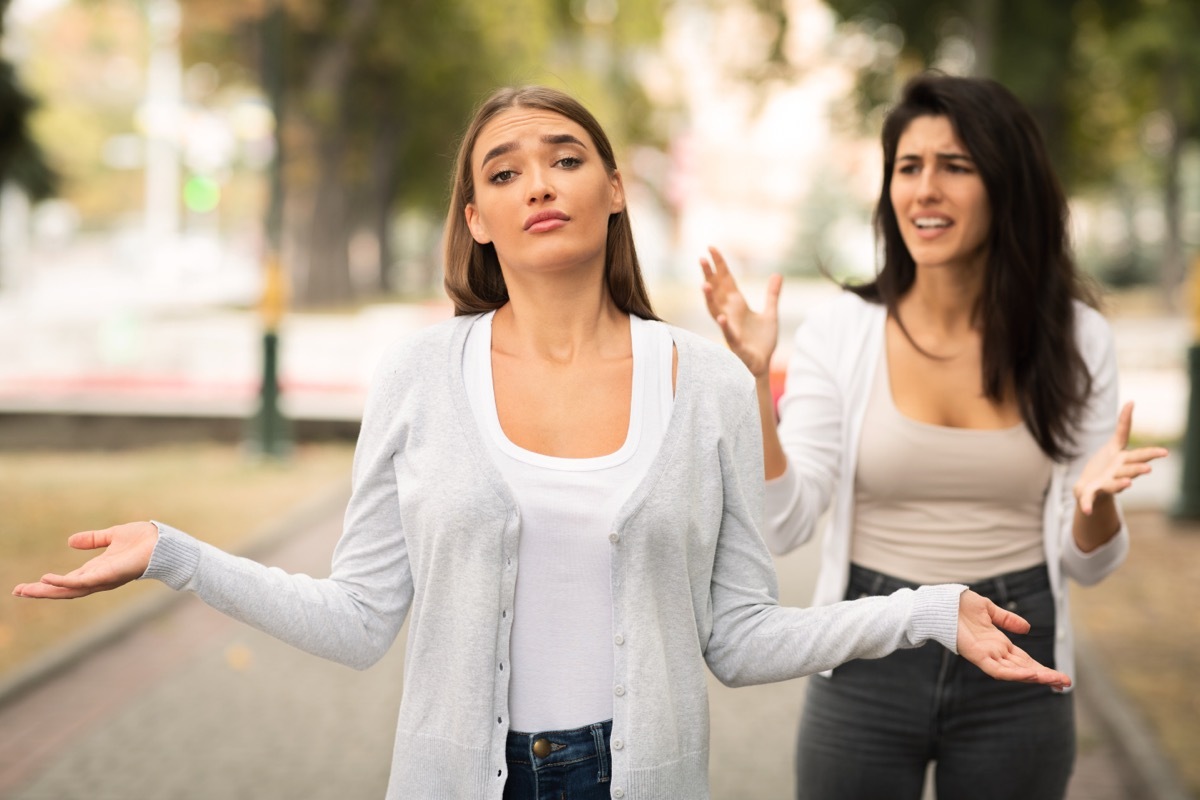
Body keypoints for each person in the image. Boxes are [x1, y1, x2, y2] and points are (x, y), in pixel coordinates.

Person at [15, 84, 1070, 800]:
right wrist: (174, 550)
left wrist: (925, 610)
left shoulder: (701, 378)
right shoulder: (420, 376)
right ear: (476, 216)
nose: (540, 183)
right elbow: (359, 616)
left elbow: (738, 634)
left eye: (567, 159)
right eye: (507, 172)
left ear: (613, 192)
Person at [701, 73, 1169, 800]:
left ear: (1006, 185)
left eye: (956, 166)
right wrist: (756, 384)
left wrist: (1091, 504)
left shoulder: (1077, 338)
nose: (925, 189)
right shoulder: (841, 332)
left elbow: (1091, 566)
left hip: (1020, 641)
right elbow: (785, 525)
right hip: (870, 638)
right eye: (908, 167)